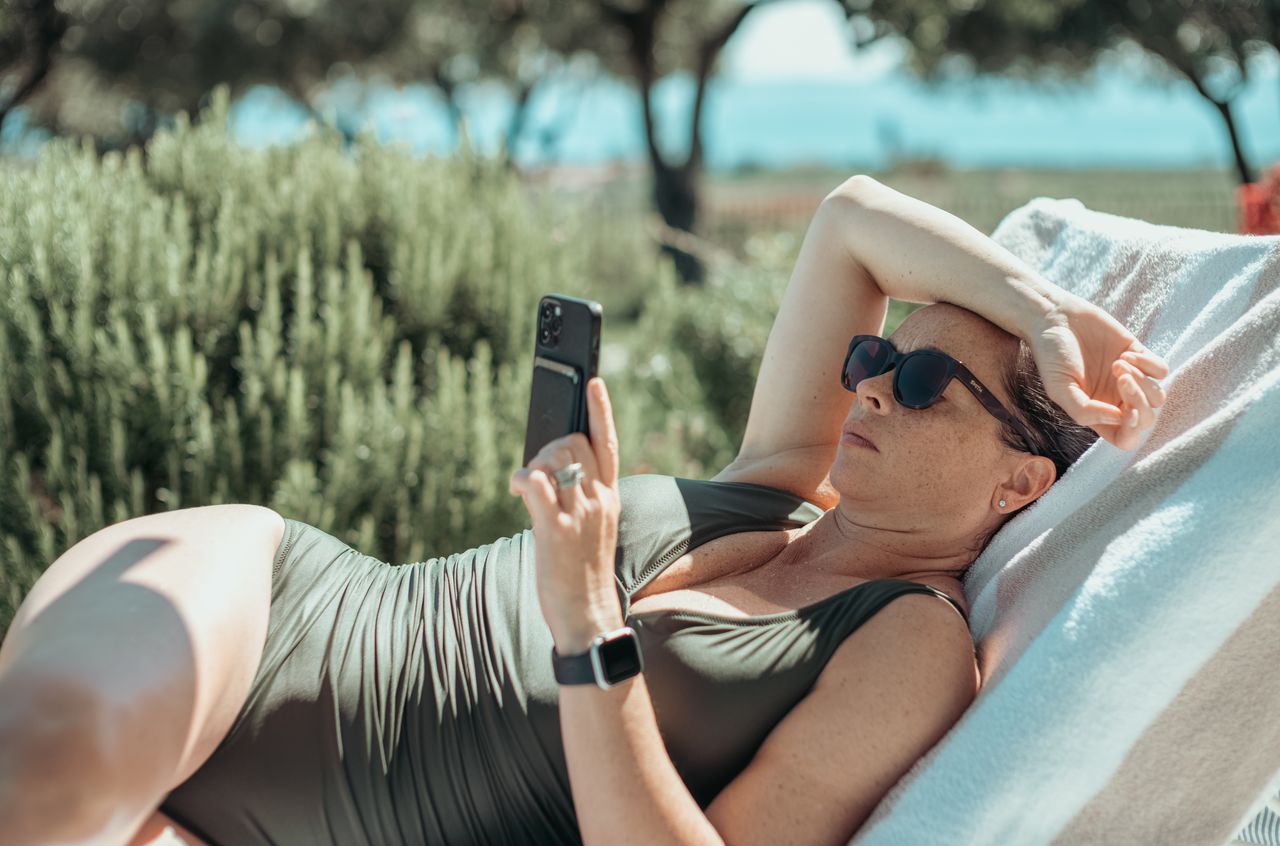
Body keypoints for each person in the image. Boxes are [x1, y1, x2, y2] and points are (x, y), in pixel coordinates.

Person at [0, 175, 1169, 846]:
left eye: (922, 384)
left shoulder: (908, 643)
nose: (868, 384)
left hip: (265, 824)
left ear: (1018, 482)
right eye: (875, 355)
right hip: (263, 606)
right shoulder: (777, 479)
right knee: (54, 765)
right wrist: (1038, 310)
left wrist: (586, 631)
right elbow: (850, 219)